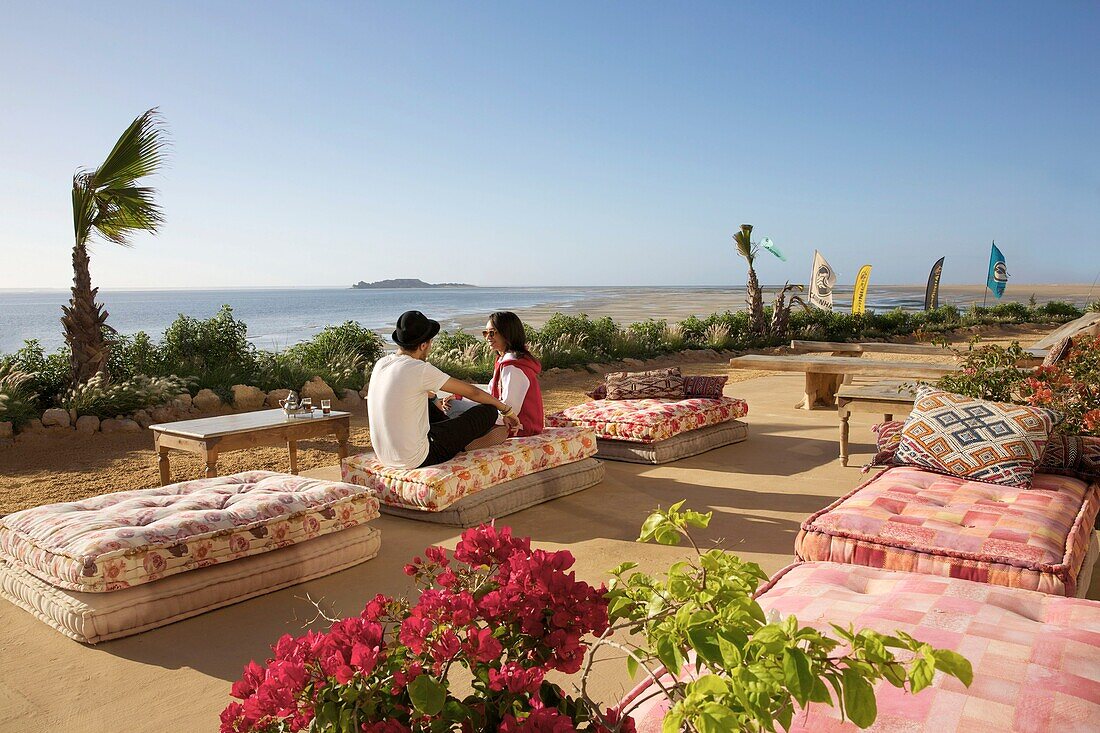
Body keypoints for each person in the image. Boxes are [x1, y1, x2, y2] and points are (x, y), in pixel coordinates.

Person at [368, 310, 521, 469]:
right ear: (423, 345)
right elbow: (472, 392)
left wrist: (433, 399)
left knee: (427, 401)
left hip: (385, 457)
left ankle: (456, 437)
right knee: (489, 411)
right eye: (430, 343)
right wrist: (506, 410)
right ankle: (463, 444)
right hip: (419, 457)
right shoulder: (418, 368)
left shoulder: (382, 363)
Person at [483, 311, 543, 436]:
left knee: (461, 419)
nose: (488, 337)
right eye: (485, 333)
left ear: (507, 334)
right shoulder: (504, 362)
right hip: (507, 421)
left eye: (492, 333)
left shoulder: (514, 368)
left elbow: (511, 410)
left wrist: (479, 420)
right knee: (456, 407)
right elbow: (489, 394)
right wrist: (460, 397)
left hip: (520, 427)